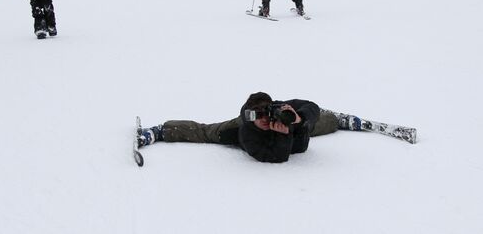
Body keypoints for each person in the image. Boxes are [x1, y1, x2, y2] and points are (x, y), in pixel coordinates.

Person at [137, 92, 362, 163]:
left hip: (287, 125)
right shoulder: (246, 132)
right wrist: (284, 137)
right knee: (207, 132)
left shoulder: (278, 113)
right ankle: (162, 130)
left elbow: (312, 107)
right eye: (257, 115)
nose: (264, 119)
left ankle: (337, 119)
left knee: (312, 123)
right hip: (237, 128)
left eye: (266, 113)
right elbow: (273, 157)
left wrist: (297, 119)